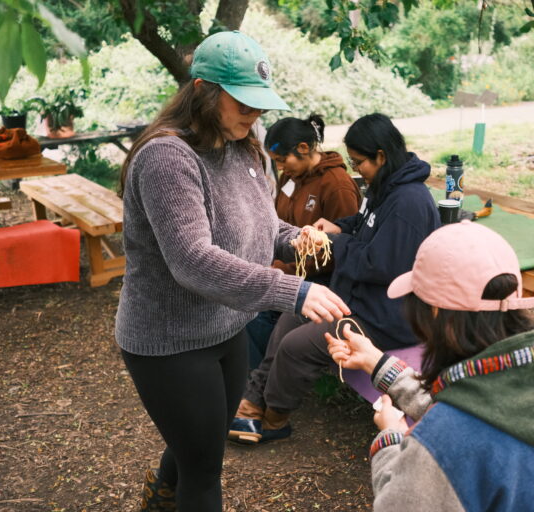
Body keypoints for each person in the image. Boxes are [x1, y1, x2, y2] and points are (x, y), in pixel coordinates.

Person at [114, 31, 350, 512]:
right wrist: (292, 290)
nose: (254, 114)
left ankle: (160, 497)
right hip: (170, 342)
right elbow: (192, 259)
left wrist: (295, 238)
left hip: (227, 327)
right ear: (203, 90)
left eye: (258, 103)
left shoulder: (242, 144)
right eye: (243, 103)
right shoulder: (167, 157)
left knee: (200, 442)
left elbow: (263, 223)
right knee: (204, 471)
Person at [325, 220, 534, 511]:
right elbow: (476, 410)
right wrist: (377, 362)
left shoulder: (441, 444)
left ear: (434, 311)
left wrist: (390, 437)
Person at [228, 113, 441, 444]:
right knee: (291, 316)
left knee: (297, 346)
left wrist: (334, 243)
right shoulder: (384, 186)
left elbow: (383, 265)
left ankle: (276, 417)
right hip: (361, 299)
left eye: (359, 163)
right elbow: (363, 223)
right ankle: (254, 399)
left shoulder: (409, 202)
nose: (356, 169)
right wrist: (339, 226)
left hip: (388, 316)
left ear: (381, 156)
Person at [245, 114, 361, 369]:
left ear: (304, 148)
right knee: (243, 299)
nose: (281, 168)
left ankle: (264, 377)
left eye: (282, 160)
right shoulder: (290, 178)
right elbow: (278, 226)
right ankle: (257, 375)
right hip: (286, 268)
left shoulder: (337, 185)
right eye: (276, 162)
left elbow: (338, 253)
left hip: (322, 280)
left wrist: (280, 270)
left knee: (256, 312)